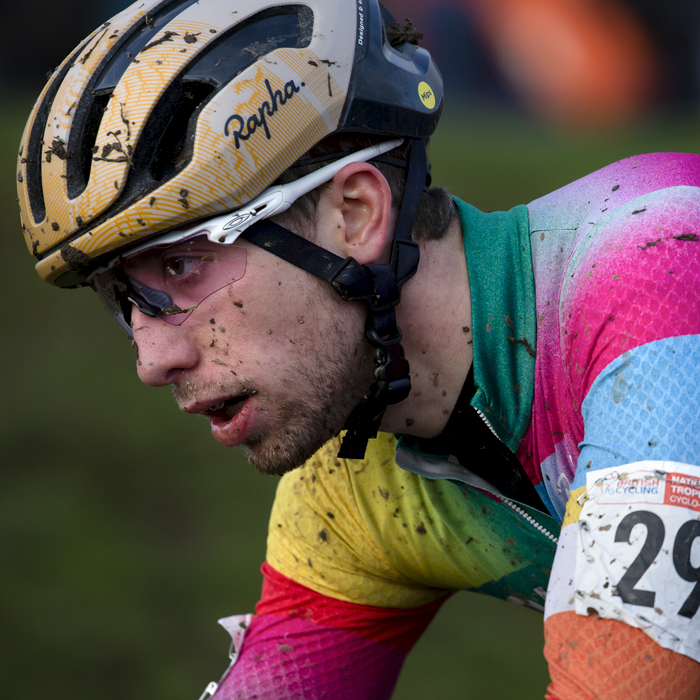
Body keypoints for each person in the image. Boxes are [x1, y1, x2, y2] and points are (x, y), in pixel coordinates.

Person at [17, 0, 700, 698]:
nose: (150, 361)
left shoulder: (660, 264)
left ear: (356, 215)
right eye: (124, 300)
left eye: (183, 267)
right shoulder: (350, 492)